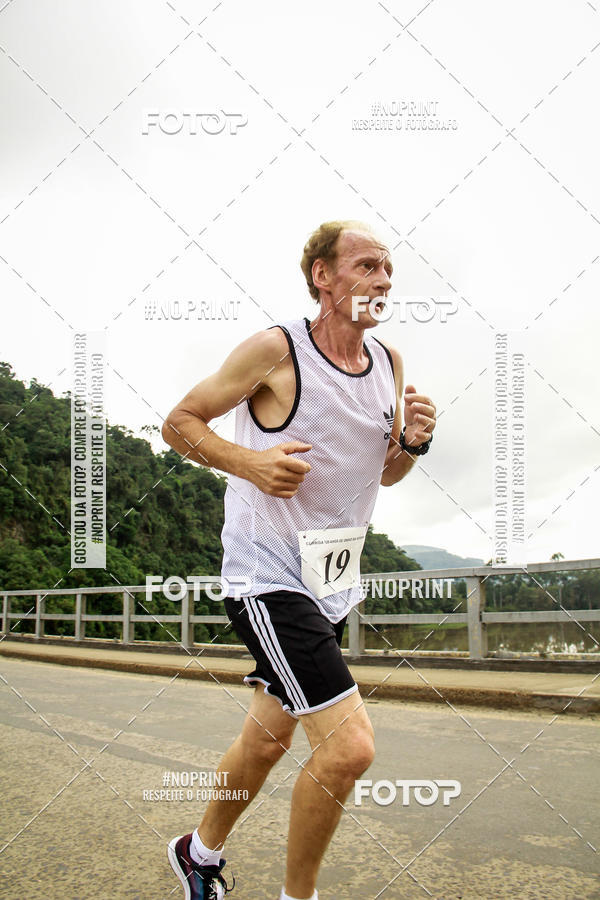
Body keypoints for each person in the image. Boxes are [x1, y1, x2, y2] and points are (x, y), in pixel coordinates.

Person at [161, 219, 437, 900]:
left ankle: (197, 853)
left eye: (388, 268)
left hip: (331, 585)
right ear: (324, 276)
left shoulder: (391, 365)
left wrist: (413, 443)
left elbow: (386, 475)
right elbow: (181, 422)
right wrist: (249, 462)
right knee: (349, 750)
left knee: (265, 743)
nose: (383, 279)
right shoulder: (276, 349)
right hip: (268, 578)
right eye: (367, 265)